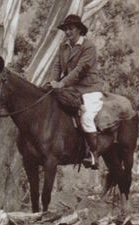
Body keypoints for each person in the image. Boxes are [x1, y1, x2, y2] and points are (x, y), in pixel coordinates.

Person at [46, 14, 104, 170]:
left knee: (86, 117)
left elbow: (80, 70)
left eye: (70, 28)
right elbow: (57, 66)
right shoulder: (63, 46)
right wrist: (53, 81)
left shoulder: (88, 46)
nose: (67, 32)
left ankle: (93, 154)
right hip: (70, 89)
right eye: (66, 29)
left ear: (78, 29)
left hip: (89, 88)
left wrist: (61, 83)